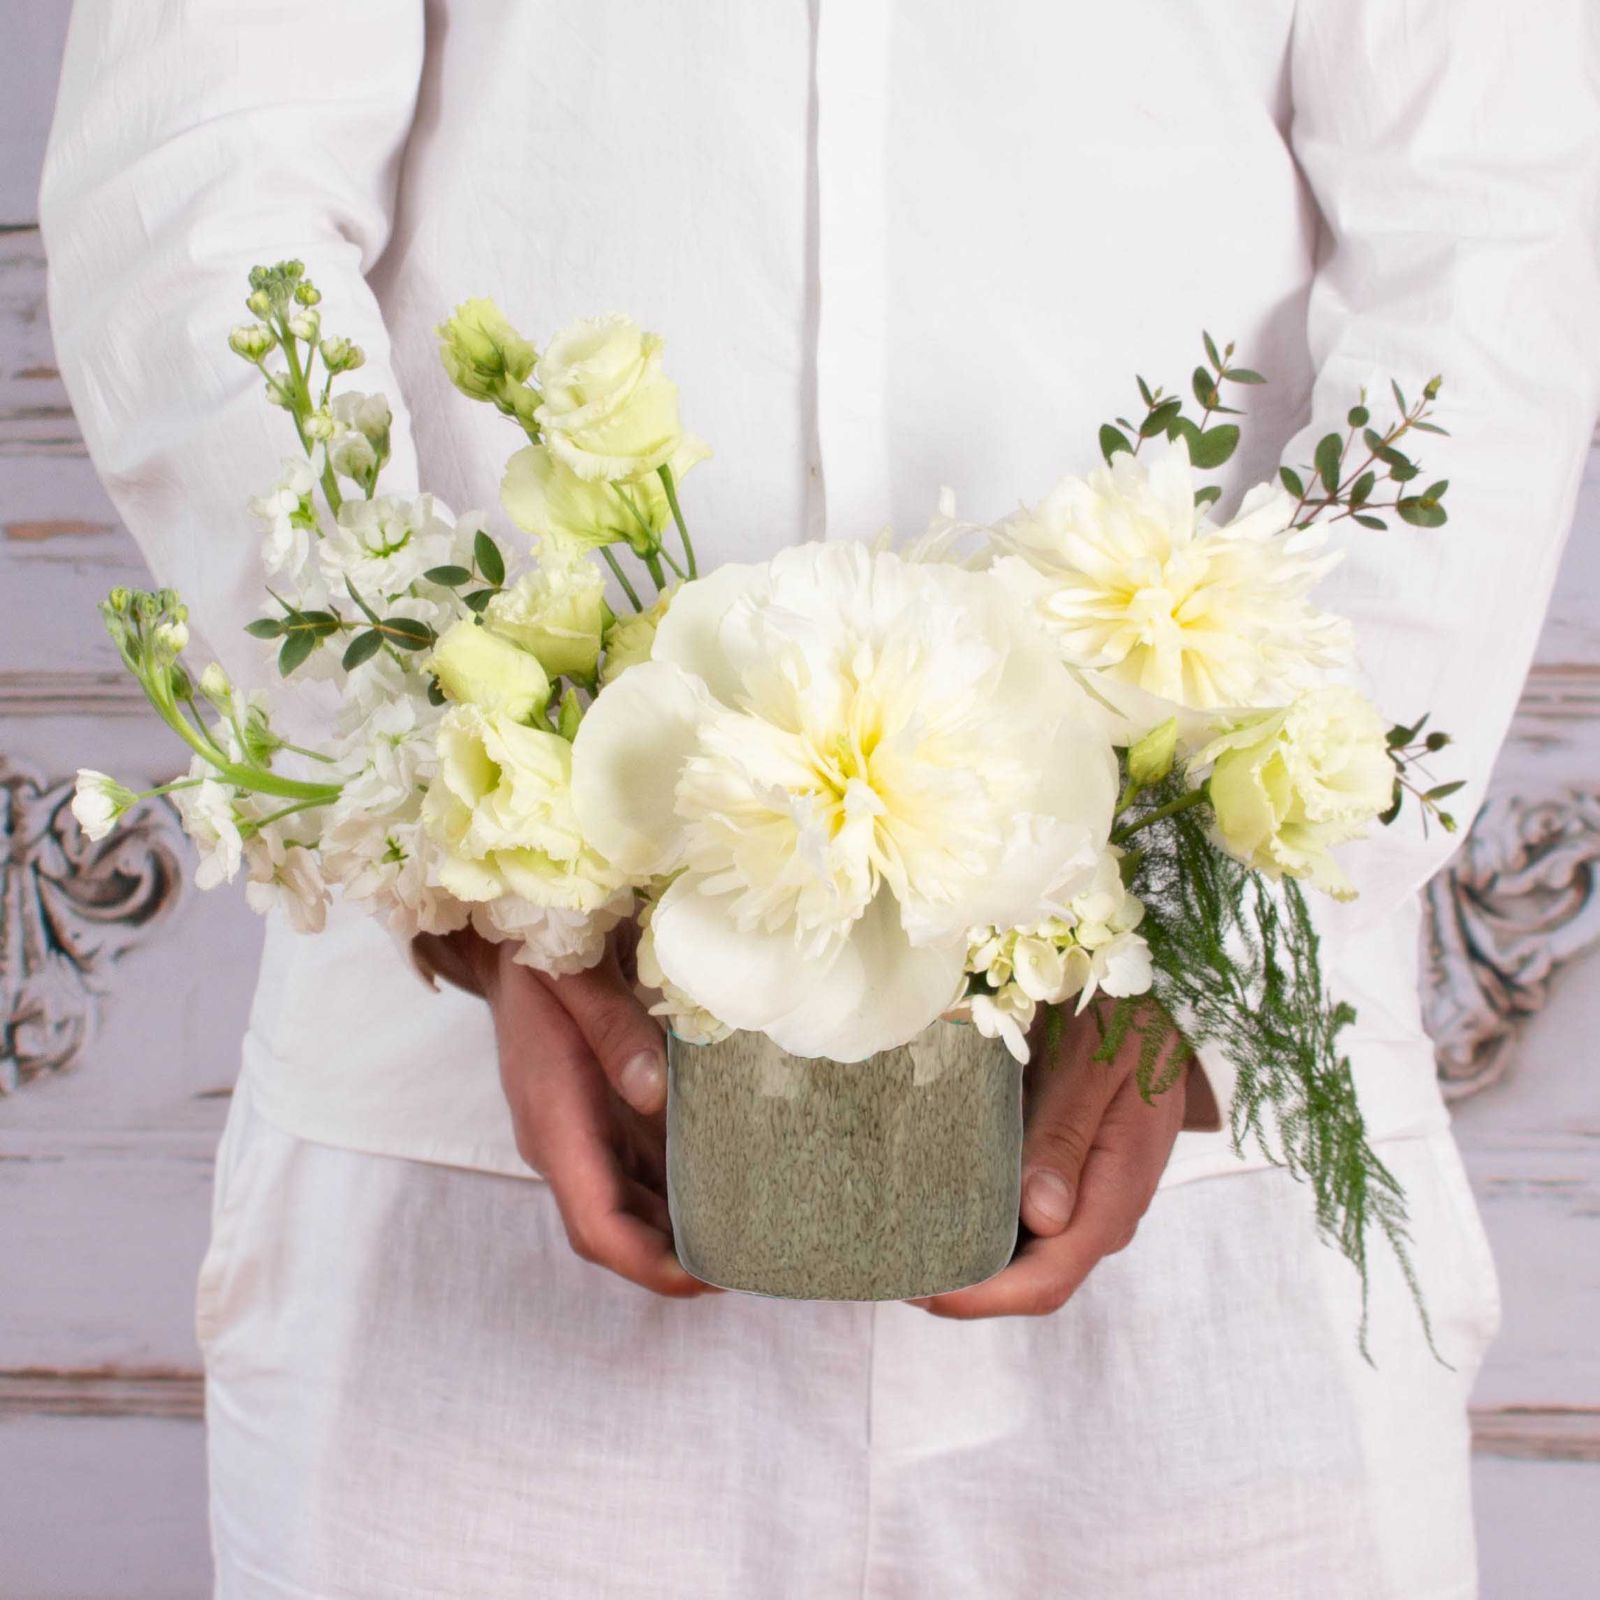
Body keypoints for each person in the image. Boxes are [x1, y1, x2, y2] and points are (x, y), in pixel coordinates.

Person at [39, 2, 1600, 1595]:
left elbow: (1491, 239)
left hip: (1212, 1178)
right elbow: (191, 204)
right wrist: (488, 880)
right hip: (479, 1149)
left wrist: (1204, 947)